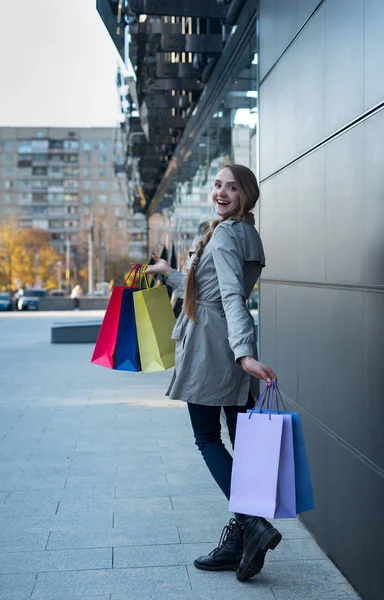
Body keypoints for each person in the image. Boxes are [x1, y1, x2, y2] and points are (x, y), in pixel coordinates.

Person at [145, 164, 281, 582]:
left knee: (207, 437)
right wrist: (169, 274)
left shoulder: (223, 235)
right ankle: (240, 540)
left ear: (247, 194)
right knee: (243, 440)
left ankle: (252, 524)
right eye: (217, 184)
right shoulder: (245, 233)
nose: (221, 192)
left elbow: (230, 296)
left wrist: (244, 355)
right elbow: (209, 286)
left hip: (213, 346)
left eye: (232, 187)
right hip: (227, 343)